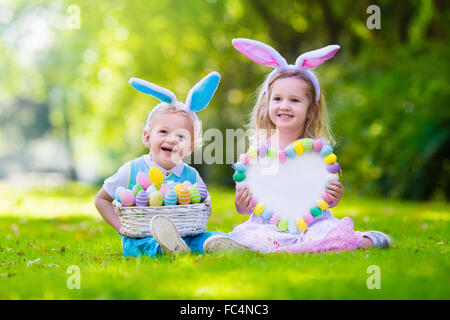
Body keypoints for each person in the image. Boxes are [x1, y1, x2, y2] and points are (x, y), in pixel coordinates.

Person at [229, 38, 392, 253]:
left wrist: (333, 197)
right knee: (246, 237)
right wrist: (242, 205)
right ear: (267, 103)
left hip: (312, 224)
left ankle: (362, 240)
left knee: (328, 232)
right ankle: (295, 247)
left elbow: (320, 200)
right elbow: (247, 206)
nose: (284, 106)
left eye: (294, 100)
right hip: (268, 226)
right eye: (277, 99)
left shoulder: (317, 153)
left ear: (311, 110)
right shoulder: (257, 154)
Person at [95, 72, 247, 257]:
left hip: (185, 235)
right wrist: (122, 227)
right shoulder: (132, 170)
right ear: (147, 137)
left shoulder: (191, 175)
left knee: (200, 238)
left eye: (181, 136)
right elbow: (101, 200)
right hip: (142, 237)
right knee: (144, 245)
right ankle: (164, 248)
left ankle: (214, 243)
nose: (172, 140)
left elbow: (205, 205)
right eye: (164, 132)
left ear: (190, 147)